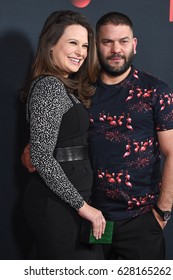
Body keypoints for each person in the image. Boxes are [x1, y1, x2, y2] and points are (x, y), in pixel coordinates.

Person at [22, 11, 173, 260]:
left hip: (138, 221)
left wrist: (162, 213)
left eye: (124, 41)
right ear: (98, 46)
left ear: (135, 45)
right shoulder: (81, 88)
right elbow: (53, 137)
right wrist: (35, 149)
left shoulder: (155, 91)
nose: (116, 49)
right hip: (87, 217)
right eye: (107, 42)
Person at [21, 10, 106, 260]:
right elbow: (42, 157)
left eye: (84, 45)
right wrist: (83, 208)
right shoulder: (49, 86)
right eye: (72, 43)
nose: (80, 52)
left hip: (70, 203)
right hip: (58, 206)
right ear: (50, 45)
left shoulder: (62, 86)